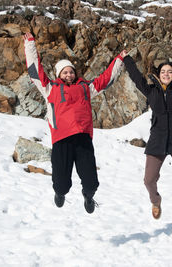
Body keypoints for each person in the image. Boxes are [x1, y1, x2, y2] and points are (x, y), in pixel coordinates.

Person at [23, 32, 126, 213]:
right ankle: (60, 193)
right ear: (59, 75)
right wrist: (30, 44)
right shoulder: (50, 89)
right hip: (62, 140)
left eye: (71, 71)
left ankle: (88, 196)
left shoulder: (85, 88)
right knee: (62, 184)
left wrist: (119, 59)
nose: (69, 74)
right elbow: (35, 70)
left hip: (83, 139)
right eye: (65, 72)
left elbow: (105, 79)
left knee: (91, 182)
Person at [123, 32, 172, 219]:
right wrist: (126, 59)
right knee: (148, 180)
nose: (166, 74)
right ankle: (155, 202)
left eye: (169, 72)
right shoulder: (151, 92)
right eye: (163, 72)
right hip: (157, 142)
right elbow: (137, 78)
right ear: (158, 75)